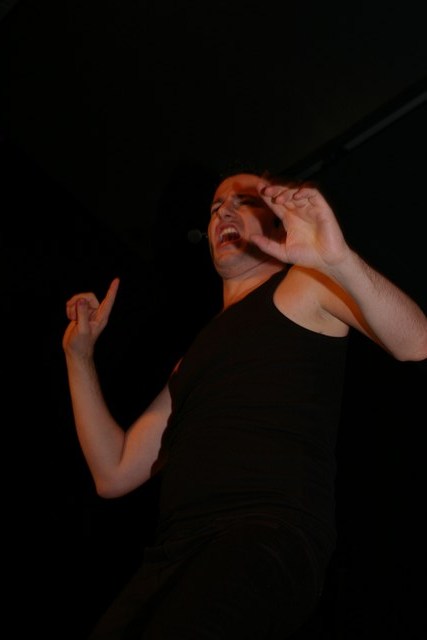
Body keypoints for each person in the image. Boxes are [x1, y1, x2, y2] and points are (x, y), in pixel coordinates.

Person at [63, 173, 427, 639]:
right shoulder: (193, 358)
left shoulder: (304, 287)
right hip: (175, 551)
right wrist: (78, 356)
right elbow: (113, 471)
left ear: (276, 220)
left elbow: (415, 341)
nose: (223, 212)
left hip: (263, 534)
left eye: (242, 201)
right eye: (215, 206)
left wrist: (338, 261)